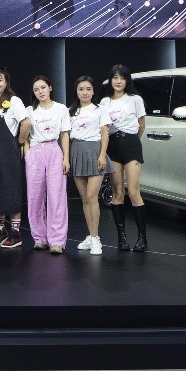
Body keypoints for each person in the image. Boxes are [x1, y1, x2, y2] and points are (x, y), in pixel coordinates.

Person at [100, 64, 148, 252]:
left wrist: (133, 141)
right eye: (115, 77)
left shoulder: (135, 99)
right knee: (117, 192)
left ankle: (142, 238)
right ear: (111, 80)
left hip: (131, 143)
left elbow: (142, 125)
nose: (118, 81)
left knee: (134, 191)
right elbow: (102, 127)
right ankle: (122, 238)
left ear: (127, 80)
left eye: (122, 77)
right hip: (112, 145)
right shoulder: (104, 102)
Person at [23, 75, 71, 253]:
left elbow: (65, 134)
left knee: (56, 196)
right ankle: (39, 237)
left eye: (43, 87)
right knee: (35, 196)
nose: (40, 92)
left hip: (54, 150)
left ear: (50, 88)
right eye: (36, 89)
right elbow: (24, 135)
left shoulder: (61, 109)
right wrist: (27, 153)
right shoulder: (29, 110)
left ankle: (57, 240)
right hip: (35, 151)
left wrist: (66, 158)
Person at [0, 65, 29, 249]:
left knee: (11, 190)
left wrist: (19, 142)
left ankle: (16, 233)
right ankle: (0, 231)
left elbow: (26, 123)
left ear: (6, 82)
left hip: (8, 152)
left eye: (0, 80)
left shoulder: (14, 101)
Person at [69, 75, 111, 256]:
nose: (84, 92)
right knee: (85, 199)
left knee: (92, 196)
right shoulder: (70, 111)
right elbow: (67, 136)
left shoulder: (100, 109)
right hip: (77, 152)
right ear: (76, 92)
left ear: (93, 91)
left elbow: (105, 133)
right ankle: (91, 235)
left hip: (95, 151)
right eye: (81, 89)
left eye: (88, 89)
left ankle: (95, 238)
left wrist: (102, 155)